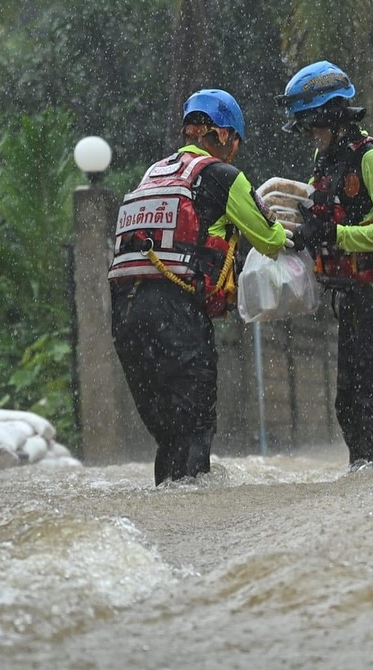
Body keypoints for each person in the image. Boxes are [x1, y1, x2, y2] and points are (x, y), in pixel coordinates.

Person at [108, 89, 289, 486]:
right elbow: (272, 240)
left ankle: (170, 522)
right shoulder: (222, 176)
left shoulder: (153, 174)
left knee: (169, 437)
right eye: (237, 143)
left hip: (124, 316)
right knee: (192, 430)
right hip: (176, 315)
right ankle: (195, 533)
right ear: (224, 136)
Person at [277, 61, 373, 472]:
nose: (308, 136)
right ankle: (364, 483)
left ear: (335, 119)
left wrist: (338, 236)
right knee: (347, 403)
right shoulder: (324, 159)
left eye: (312, 127)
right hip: (351, 297)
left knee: (368, 402)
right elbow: (320, 216)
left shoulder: (371, 159)